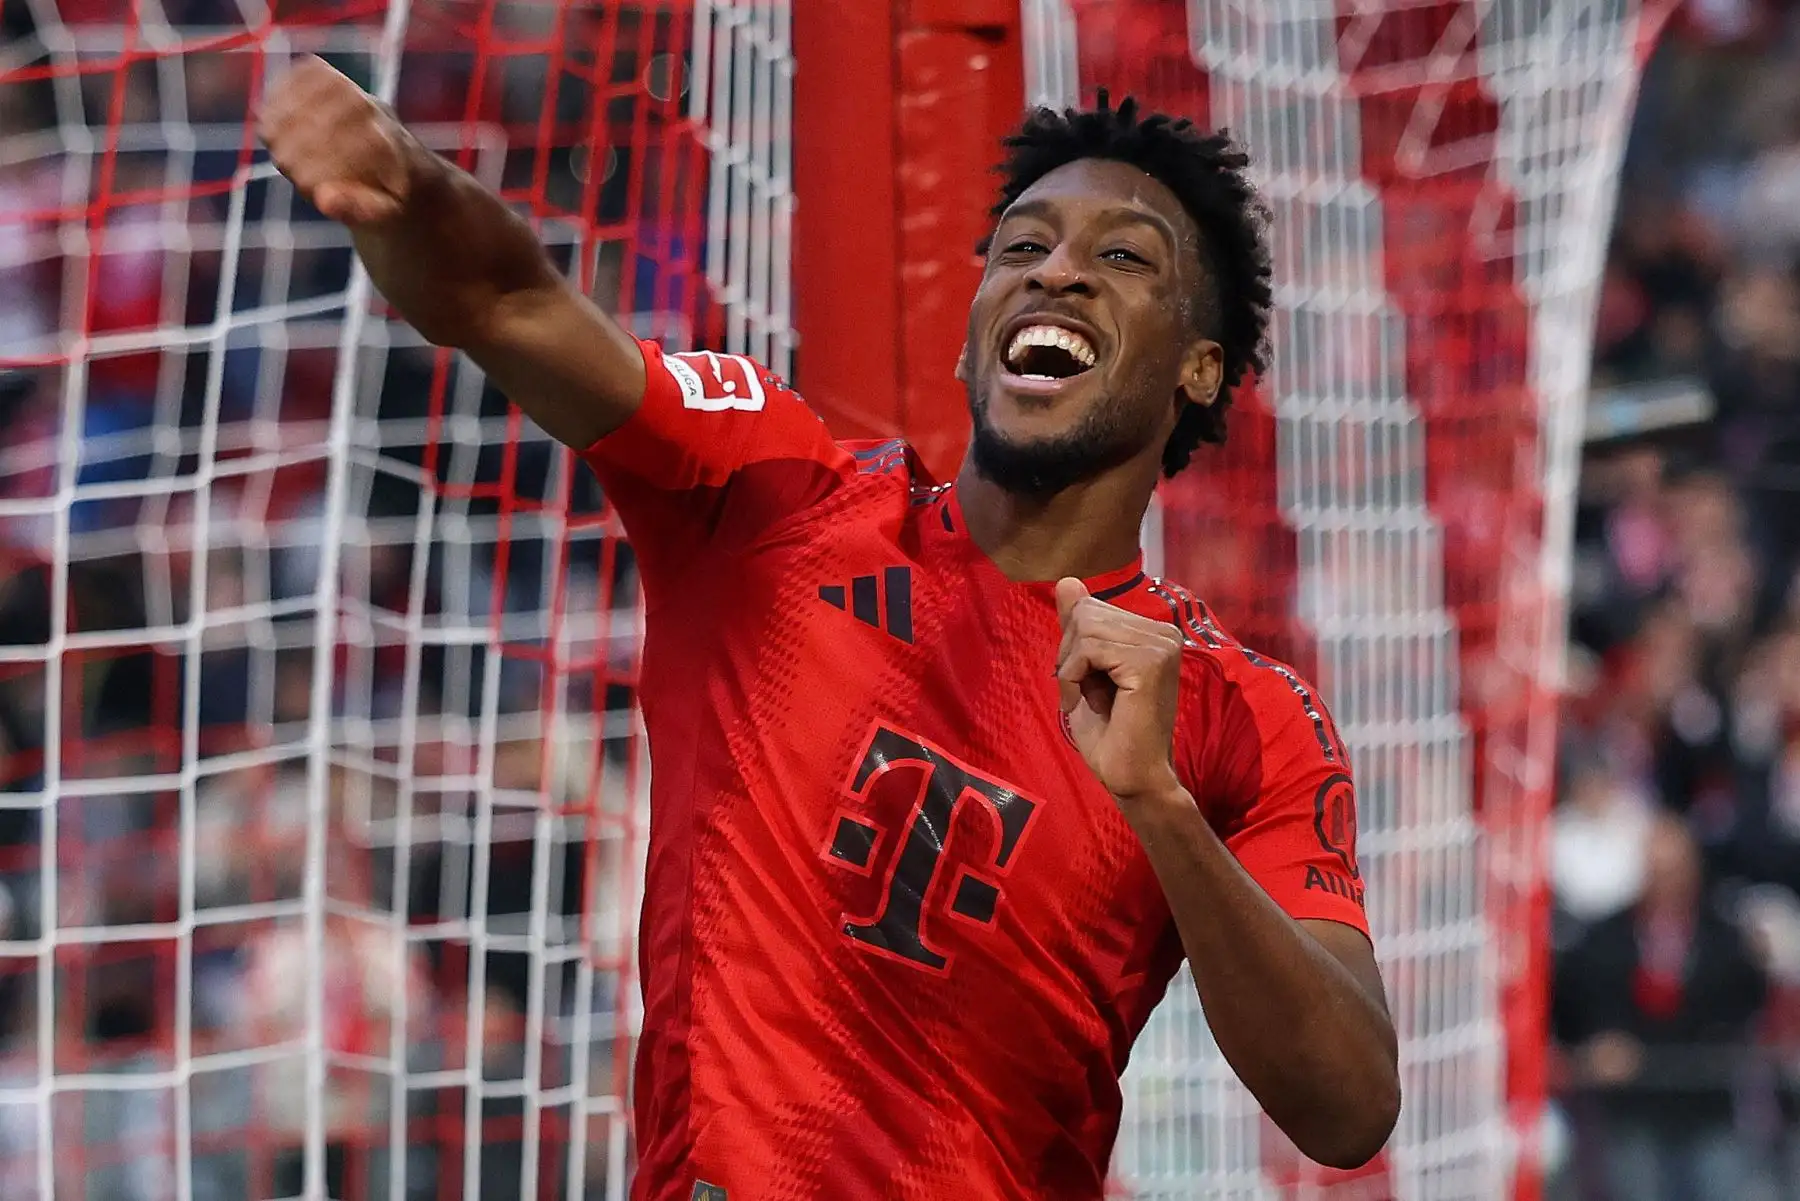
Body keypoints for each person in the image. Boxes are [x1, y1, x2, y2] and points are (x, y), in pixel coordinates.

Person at [258, 58, 1400, 1200]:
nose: (1056, 272)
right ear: (969, 341)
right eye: (1020, 247)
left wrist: (1160, 806)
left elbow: (1348, 1109)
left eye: (1122, 258)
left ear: (1201, 369)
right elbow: (510, 302)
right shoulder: (777, 499)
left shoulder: (1243, 718)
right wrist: (406, 183)